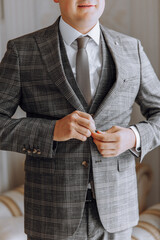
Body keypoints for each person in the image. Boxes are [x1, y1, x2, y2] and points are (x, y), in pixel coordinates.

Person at [0, 0, 160, 239]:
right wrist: (52, 130)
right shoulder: (23, 51)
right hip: (51, 214)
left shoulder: (132, 49)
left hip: (117, 215)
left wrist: (132, 137)